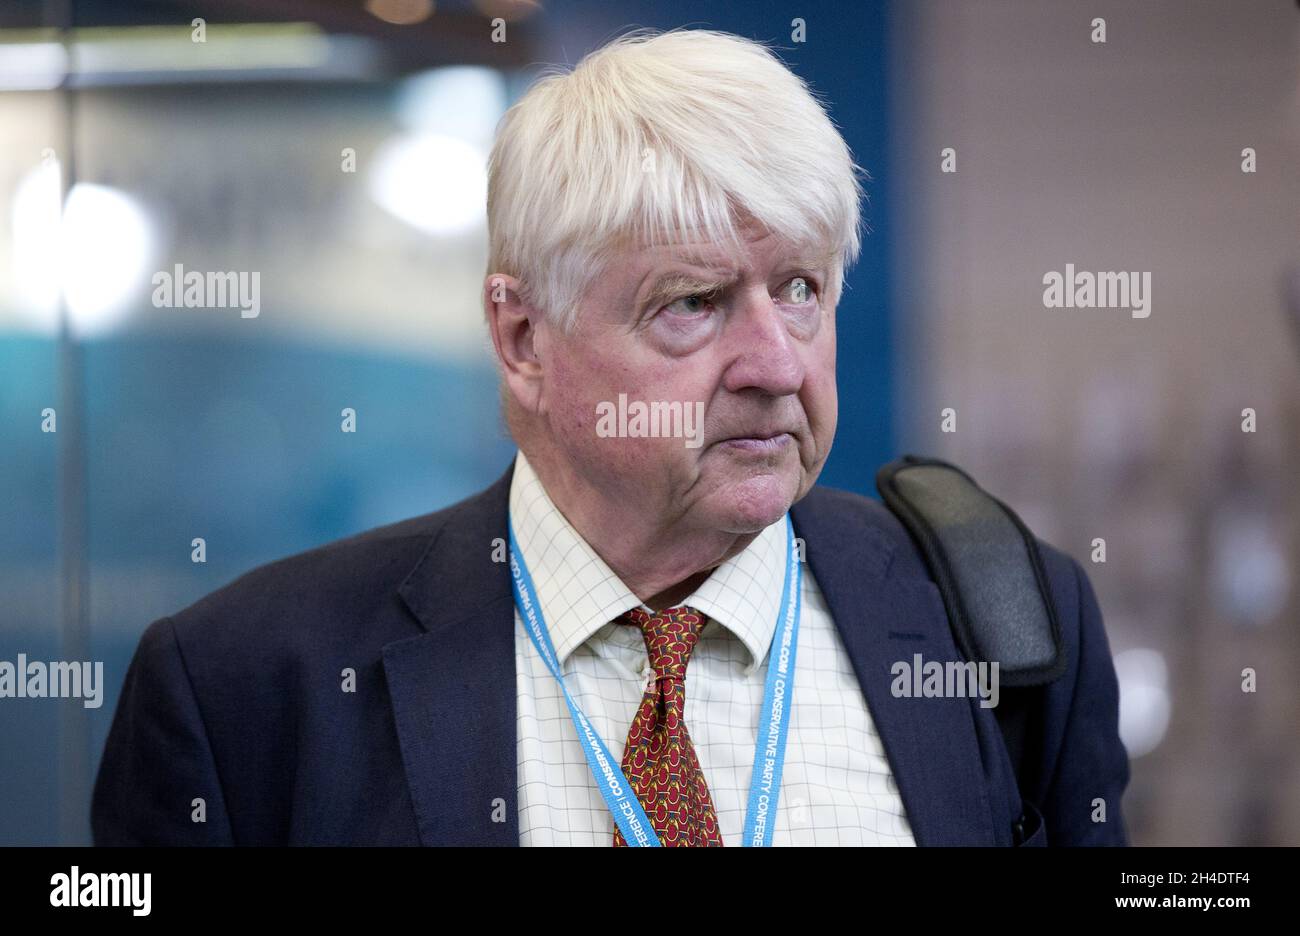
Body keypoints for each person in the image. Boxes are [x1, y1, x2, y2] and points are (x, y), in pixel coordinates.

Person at [92, 27, 1129, 847]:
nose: (775, 365)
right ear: (523, 337)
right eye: (693, 303)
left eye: (801, 289)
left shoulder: (996, 627)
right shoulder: (249, 690)